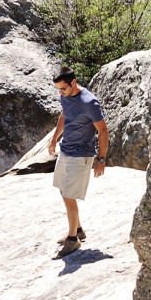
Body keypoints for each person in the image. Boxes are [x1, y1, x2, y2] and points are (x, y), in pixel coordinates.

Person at [48, 66, 109, 258]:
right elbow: (64, 116)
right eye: (58, 89)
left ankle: (73, 240)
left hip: (81, 154)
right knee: (62, 189)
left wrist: (101, 159)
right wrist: (54, 139)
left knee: (69, 195)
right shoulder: (65, 96)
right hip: (66, 150)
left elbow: (103, 131)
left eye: (63, 89)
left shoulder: (89, 102)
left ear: (73, 82)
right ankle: (79, 230)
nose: (60, 93)